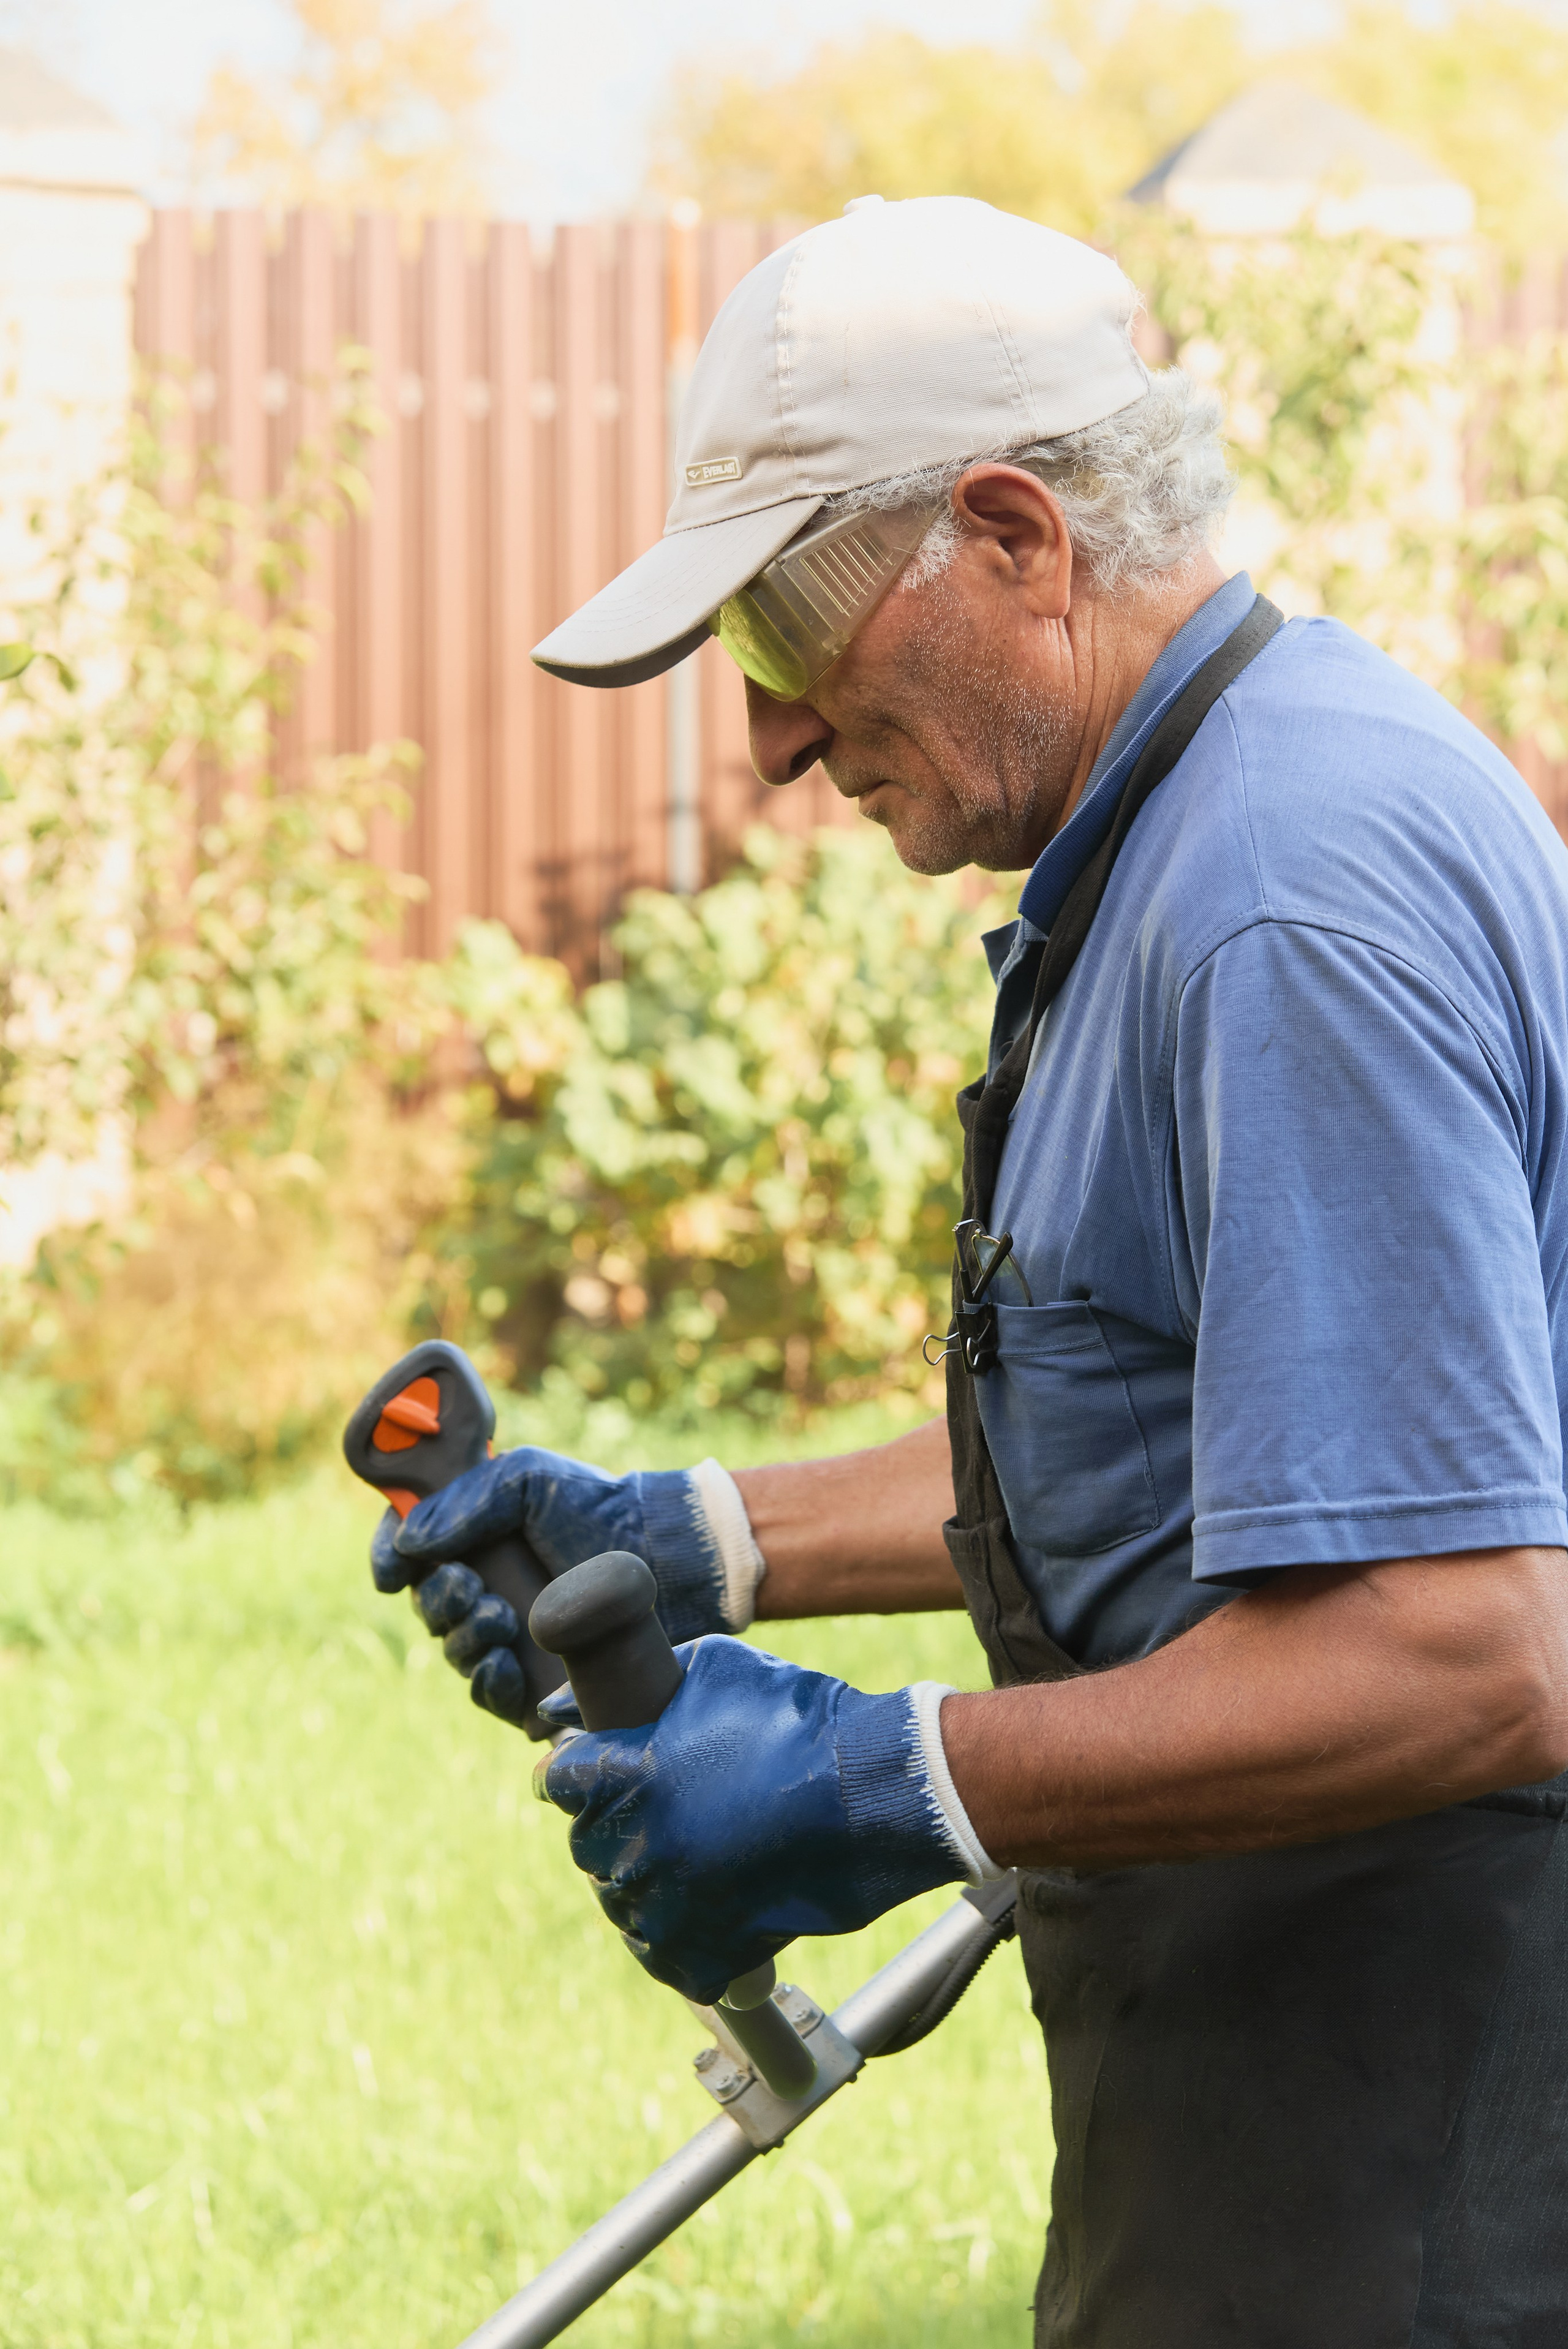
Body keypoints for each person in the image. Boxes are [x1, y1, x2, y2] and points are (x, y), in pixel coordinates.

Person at [369, 197, 1568, 2345]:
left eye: (781, 640)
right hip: (1279, 2109)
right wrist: (703, 1537)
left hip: (1431, 2177)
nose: (771, 744)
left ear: (1017, 535)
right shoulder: (1199, 820)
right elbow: (1216, 1426)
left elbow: (1467, 1646)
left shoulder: (1286, 899)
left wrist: (891, 1773)